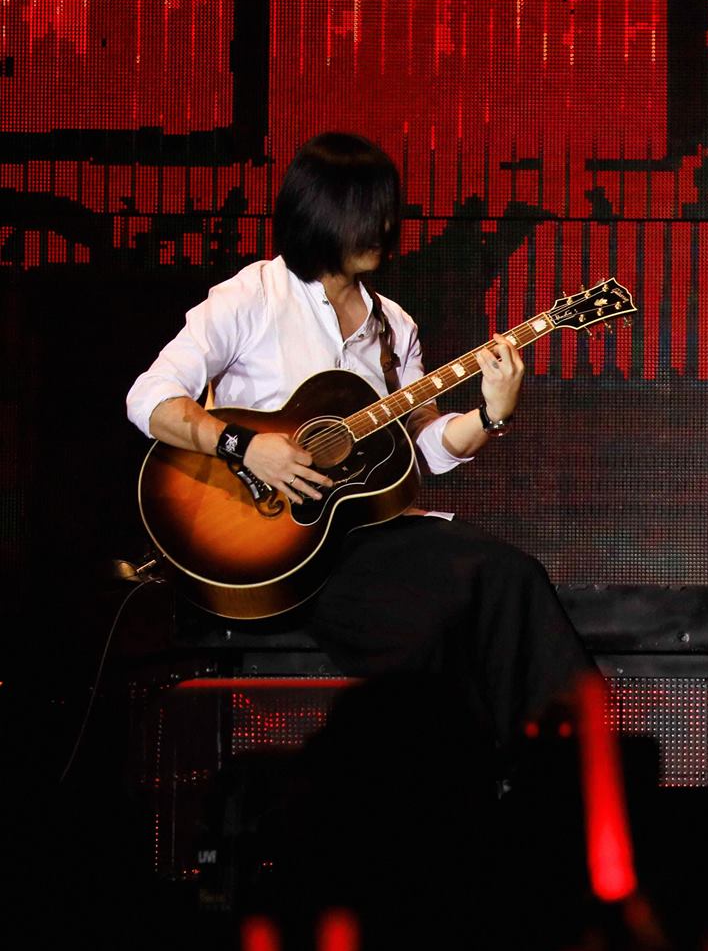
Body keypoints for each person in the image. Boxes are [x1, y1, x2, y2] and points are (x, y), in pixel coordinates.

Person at [125, 131, 591, 743]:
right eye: (366, 214)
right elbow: (149, 399)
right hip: (275, 542)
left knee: (512, 576)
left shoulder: (394, 326)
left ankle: (569, 764)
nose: (383, 228)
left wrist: (490, 415)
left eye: (387, 213)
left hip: (367, 531)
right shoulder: (253, 295)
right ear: (320, 214)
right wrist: (246, 446)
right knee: (427, 631)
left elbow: (425, 449)